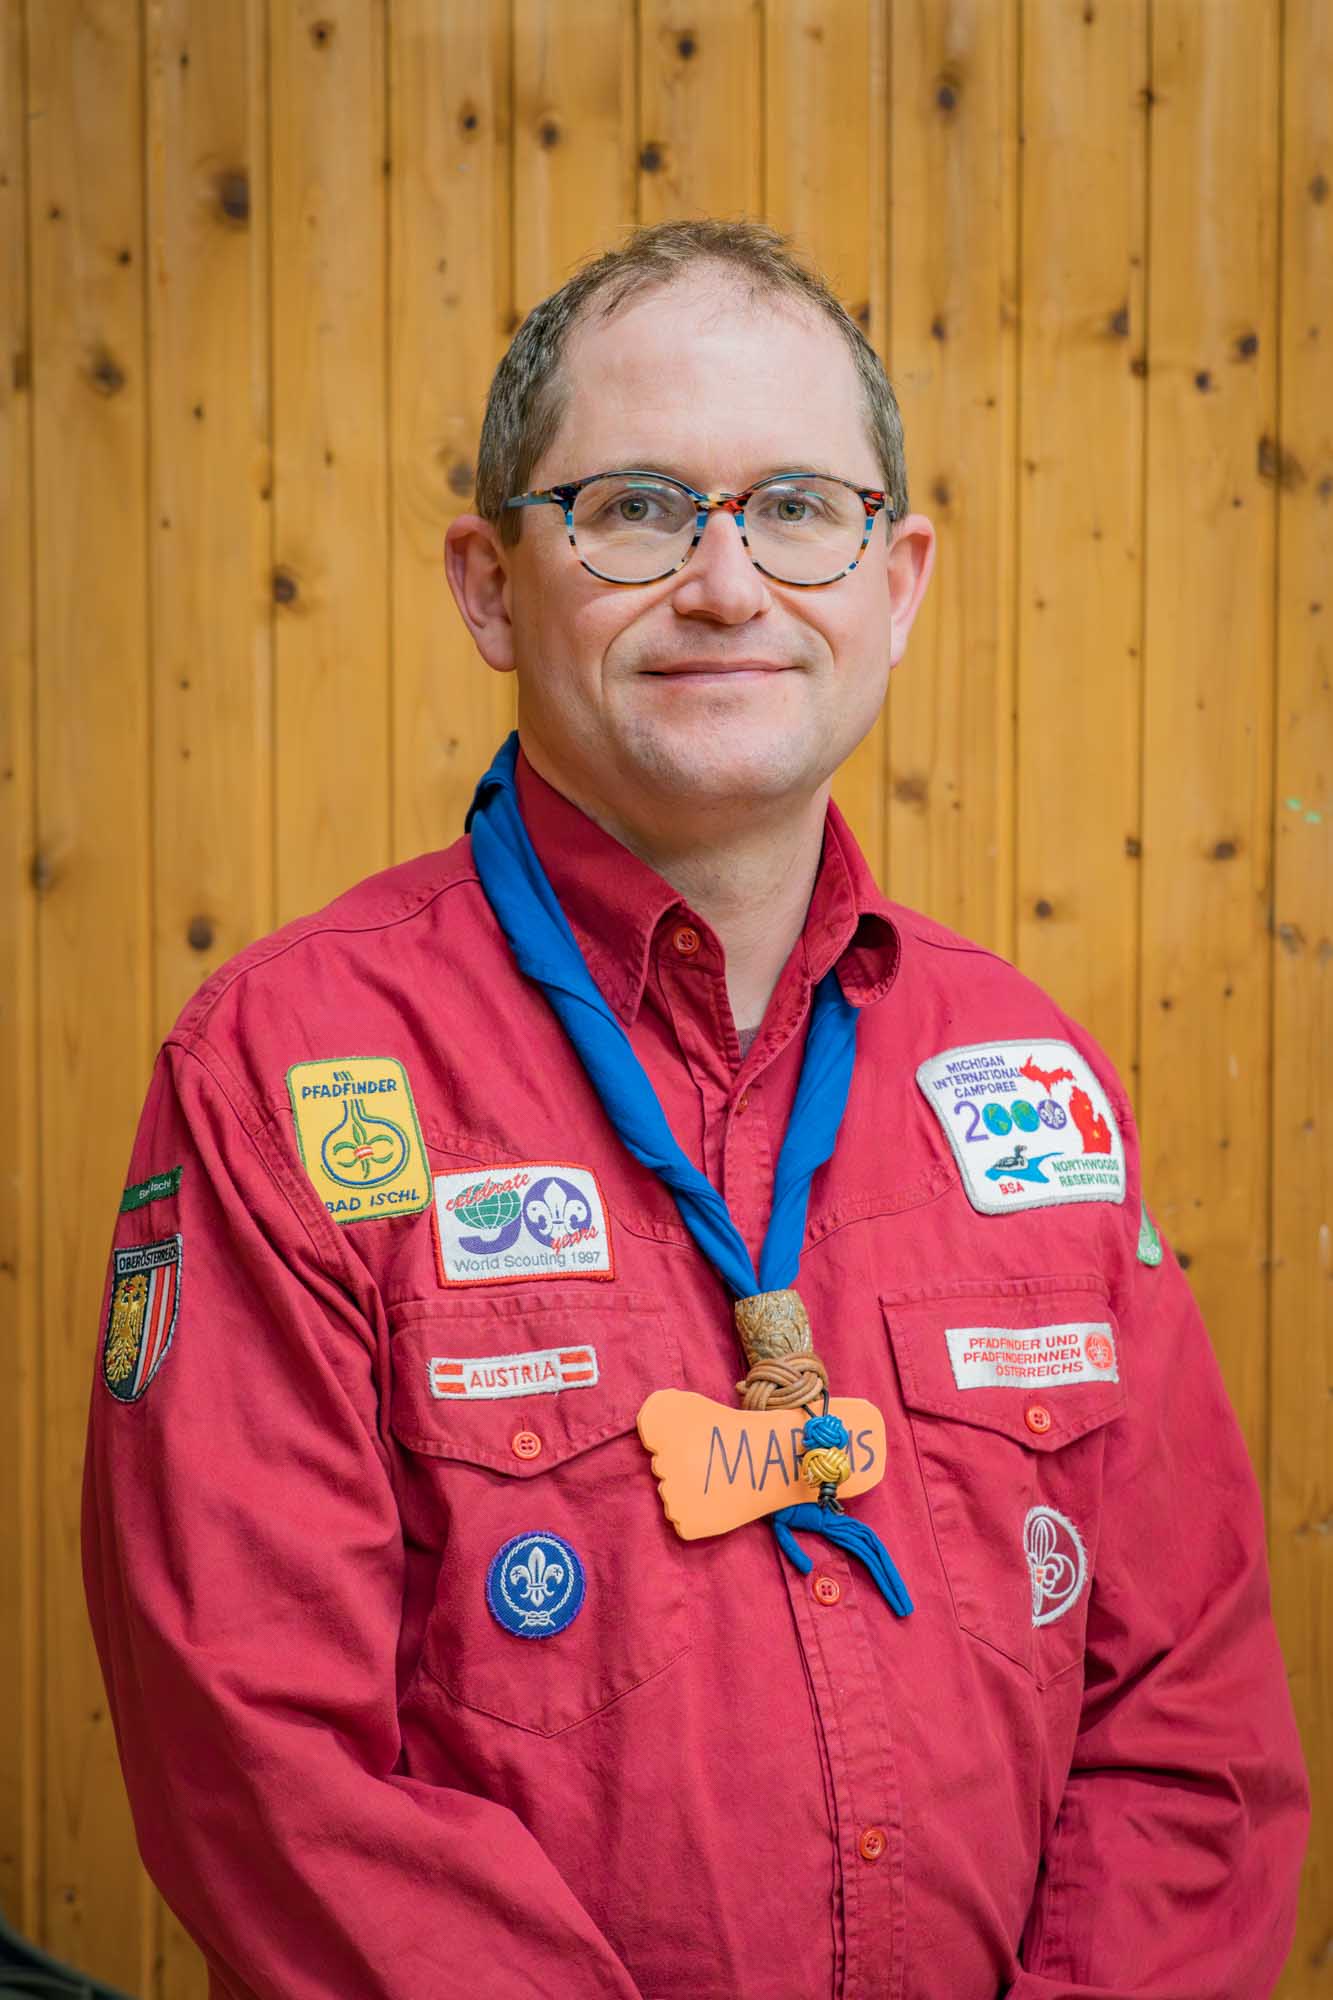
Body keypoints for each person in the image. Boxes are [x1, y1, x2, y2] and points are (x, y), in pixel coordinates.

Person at [83, 218, 1308, 2000]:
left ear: (897, 583)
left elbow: (1186, 1726)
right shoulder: (282, 1071)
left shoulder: (1030, 1076)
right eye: (637, 508)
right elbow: (270, 1769)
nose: (728, 585)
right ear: (490, 585)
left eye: (798, 509)